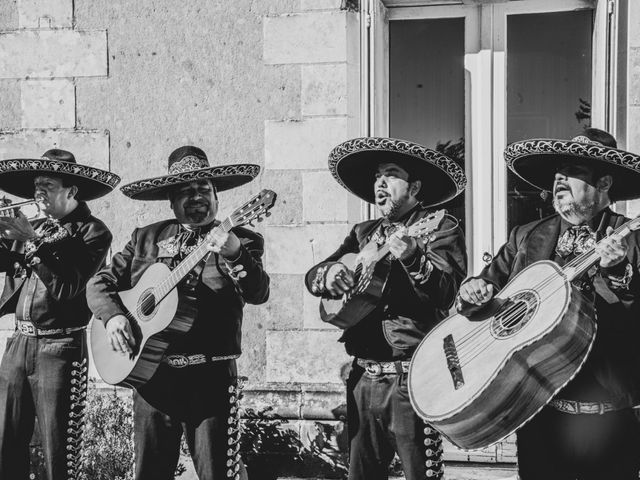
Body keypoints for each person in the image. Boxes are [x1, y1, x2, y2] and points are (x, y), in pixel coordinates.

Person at [457, 128, 640, 480]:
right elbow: (484, 290)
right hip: (539, 414)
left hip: (610, 419)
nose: (559, 178)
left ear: (604, 181)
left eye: (573, 170)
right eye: (558, 171)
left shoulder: (632, 239)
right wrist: (472, 291)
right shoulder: (525, 235)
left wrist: (620, 275)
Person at [87, 146, 269, 480]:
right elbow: (100, 283)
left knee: (218, 474)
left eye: (204, 190)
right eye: (186, 191)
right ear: (171, 201)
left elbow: (258, 292)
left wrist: (234, 252)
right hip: (152, 378)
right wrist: (113, 316)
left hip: (210, 380)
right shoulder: (146, 239)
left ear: (216, 197)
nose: (197, 197)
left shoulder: (242, 238)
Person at [305, 137, 467, 480]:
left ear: (415, 187)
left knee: (421, 475)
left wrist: (412, 257)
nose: (380, 182)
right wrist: (329, 273)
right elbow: (316, 274)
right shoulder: (363, 233)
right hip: (362, 376)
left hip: (411, 378)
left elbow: (446, 293)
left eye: (391, 175)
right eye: (377, 176)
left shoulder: (440, 226)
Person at [0, 149, 120, 479]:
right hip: (17, 344)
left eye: (48, 184)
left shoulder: (94, 232)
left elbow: (68, 287)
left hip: (60, 347)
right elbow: (6, 265)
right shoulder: (33, 225)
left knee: (58, 451)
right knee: (4, 445)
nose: (38, 191)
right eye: (36, 184)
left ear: (71, 191)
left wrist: (33, 242)